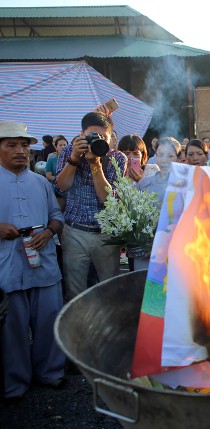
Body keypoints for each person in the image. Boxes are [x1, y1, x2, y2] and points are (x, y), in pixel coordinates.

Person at [0, 121, 66, 400]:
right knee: (11, 328)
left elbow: (57, 216)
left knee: (49, 320)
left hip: (44, 262)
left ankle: (50, 372)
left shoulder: (41, 182)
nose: (20, 151)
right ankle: (14, 382)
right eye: (11, 145)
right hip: (8, 266)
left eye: (24, 146)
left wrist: (49, 232)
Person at [54, 111, 126, 301]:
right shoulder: (70, 151)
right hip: (74, 231)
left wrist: (96, 164)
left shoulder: (117, 158)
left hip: (106, 234)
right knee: (74, 291)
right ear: (81, 134)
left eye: (104, 137)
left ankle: (108, 329)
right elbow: (61, 187)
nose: (98, 140)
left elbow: (108, 199)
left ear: (111, 138)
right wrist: (74, 158)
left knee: (110, 289)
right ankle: (77, 329)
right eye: (93, 136)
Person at [137, 137, 181, 205]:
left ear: (179, 158)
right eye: (160, 155)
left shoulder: (185, 186)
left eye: (170, 156)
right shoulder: (144, 184)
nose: (164, 160)